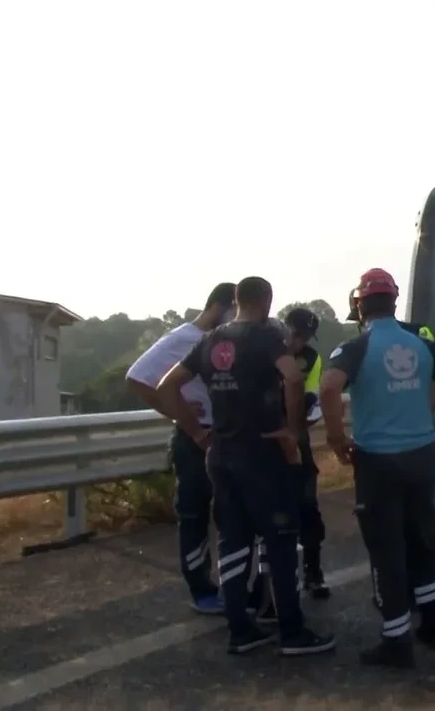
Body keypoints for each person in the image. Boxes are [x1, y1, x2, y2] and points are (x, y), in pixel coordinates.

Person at [157, 276, 335, 656]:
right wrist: (290, 432)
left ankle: (240, 629)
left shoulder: (210, 341)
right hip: (263, 453)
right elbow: (291, 377)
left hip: (220, 452)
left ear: (236, 300)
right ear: (267, 301)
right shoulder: (266, 337)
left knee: (232, 540)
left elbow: (166, 386)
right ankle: (292, 631)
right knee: (281, 540)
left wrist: (198, 433)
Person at [321, 268, 435, 668]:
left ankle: (396, 639)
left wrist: (338, 441)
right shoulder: (419, 343)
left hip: (378, 463)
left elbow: (327, 388)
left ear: (359, 305)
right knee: (423, 539)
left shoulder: (355, 348)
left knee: (387, 550)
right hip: (421, 456)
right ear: (394, 301)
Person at [125, 282, 236, 614]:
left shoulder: (228, 340)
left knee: (232, 516)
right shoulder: (179, 340)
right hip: (194, 439)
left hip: (228, 437)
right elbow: (137, 378)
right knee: (194, 516)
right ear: (219, 307)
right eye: (234, 310)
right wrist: (181, 414)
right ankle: (202, 590)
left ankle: (236, 587)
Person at [284, 306, 331, 599]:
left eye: (306, 337)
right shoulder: (265, 348)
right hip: (264, 441)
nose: (300, 342)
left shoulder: (312, 358)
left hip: (298, 439)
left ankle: (313, 572)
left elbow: (313, 400)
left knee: (308, 508)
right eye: (297, 334)